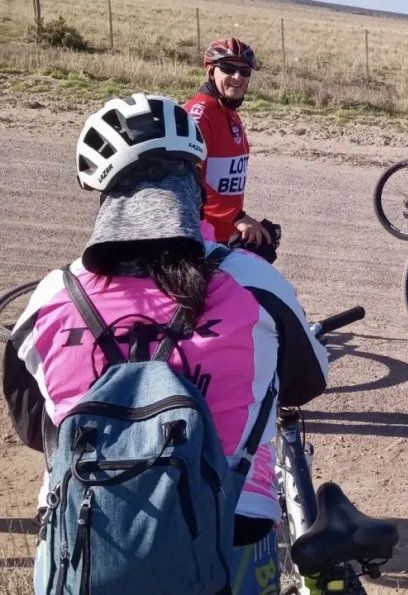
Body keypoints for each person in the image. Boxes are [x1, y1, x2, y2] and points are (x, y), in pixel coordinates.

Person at [1, 93, 329, 594]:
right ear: (196, 184)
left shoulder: (53, 295)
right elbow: (308, 382)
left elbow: (33, 429)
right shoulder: (253, 283)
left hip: (87, 541)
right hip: (233, 531)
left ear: (104, 193)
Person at [185, 38, 273, 248]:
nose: (237, 77)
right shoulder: (199, 115)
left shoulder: (229, 111)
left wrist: (235, 221)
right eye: (228, 68)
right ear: (210, 70)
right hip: (200, 237)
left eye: (245, 72)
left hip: (225, 235)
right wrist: (237, 217)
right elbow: (187, 180)